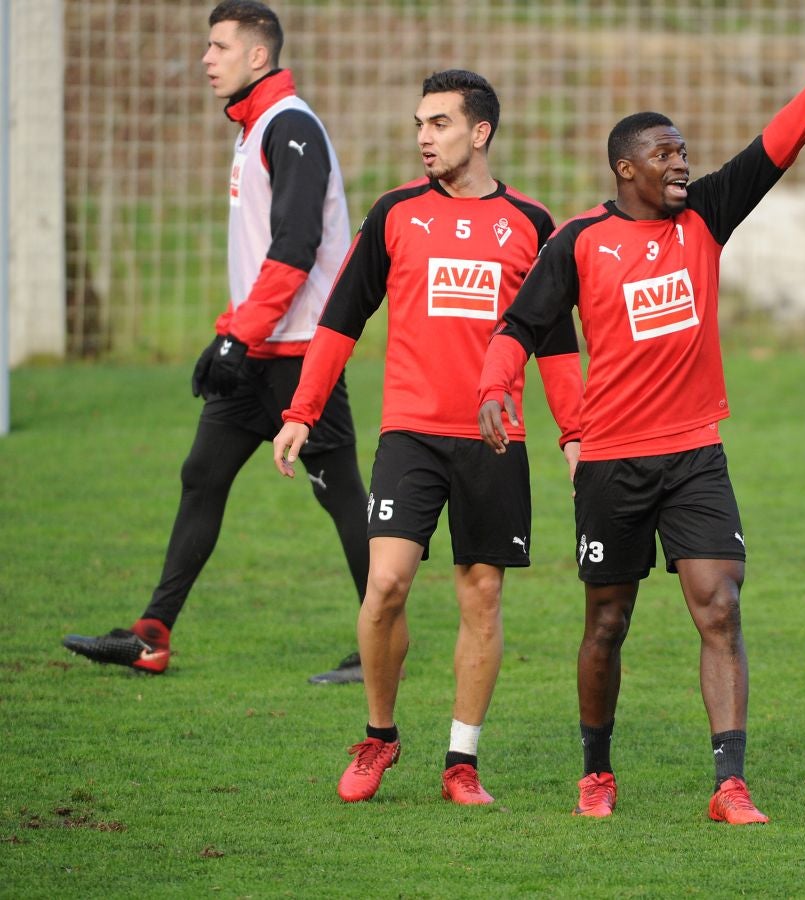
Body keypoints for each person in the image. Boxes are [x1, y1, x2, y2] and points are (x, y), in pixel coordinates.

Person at [477, 6, 805, 824]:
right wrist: (495, 390)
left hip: (695, 452)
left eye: (683, 152)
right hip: (611, 461)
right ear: (626, 169)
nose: (680, 163)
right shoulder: (579, 241)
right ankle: (596, 770)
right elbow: (521, 324)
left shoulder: (704, 215)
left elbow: (777, 145)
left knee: (720, 604)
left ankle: (728, 784)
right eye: (664, 154)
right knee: (608, 620)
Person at [273, 69, 582, 805]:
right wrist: (301, 410)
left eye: (439, 124)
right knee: (385, 585)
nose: (423, 138)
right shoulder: (394, 215)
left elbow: (557, 346)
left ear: (480, 133)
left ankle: (460, 761)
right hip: (409, 431)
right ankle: (379, 737)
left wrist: (576, 438)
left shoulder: (532, 225)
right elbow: (342, 317)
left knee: (481, 596)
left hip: (495, 438)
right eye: (419, 123)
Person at [60, 0, 370, 685]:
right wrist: (229, 333)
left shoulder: (290, 126)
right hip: (259, 347)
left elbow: (296, 247)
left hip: (299, 357)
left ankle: (382, 645)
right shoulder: (255, 125)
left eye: (218, 46)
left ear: (257, 56)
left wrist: (243, 337)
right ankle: (152, 634)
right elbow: (261, 251)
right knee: (201, 477)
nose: (206, 59)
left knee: (340, 492)